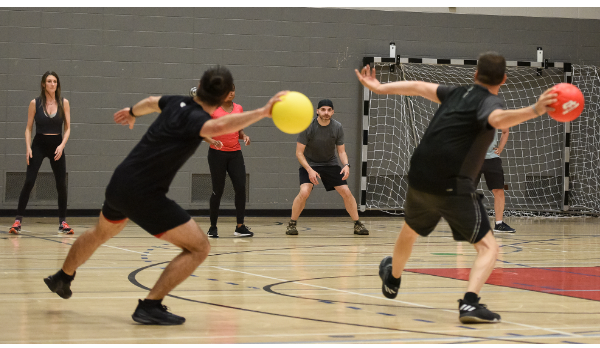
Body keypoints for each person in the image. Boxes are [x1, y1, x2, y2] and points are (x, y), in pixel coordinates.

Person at [43, 66, 286, 325]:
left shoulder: (175, 102)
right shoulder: (198, 120)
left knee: (100, 232)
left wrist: (132, 112)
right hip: (144, 195)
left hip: (120, 181)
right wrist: (263, 112)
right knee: (200, 248)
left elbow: (150, 102)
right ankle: (150, 305)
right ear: (225, 96)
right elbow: (222, 124)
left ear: (199, 85)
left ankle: (62, 277)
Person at [355, 52, 556, 324]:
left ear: (474, 75)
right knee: (488, 248)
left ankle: (393, 279)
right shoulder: (490, 101)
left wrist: (379, 88)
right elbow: (497, 119)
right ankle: (470, 304)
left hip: (419, 176)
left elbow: (416, 86)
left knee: (409, 231)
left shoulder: (456, 93)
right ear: (504, 79)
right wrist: (534, 110)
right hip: (452, 184)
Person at [285, 99, 369, 236]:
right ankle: (292, 223)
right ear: (317, 111)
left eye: (329, 110)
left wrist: (346, 165)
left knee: (346, 192)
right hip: (310, 164)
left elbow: (341, 151)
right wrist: (309, 170)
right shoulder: (308, 127)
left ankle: (357, 224)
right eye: (323, 110)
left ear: (333, 112)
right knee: (305, 192)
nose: (326, 113)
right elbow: (299, 153)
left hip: (330, 164)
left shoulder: (337, 127)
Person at [9, 71, 74, 235]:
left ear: (57, 84)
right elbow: (28, 128)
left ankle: (62, 223)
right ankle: (17, 221)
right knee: (29, 181)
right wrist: (28, 147)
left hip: (57, 145)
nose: (52, 84)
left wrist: (62, 145)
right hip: (38, 144)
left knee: (61, 184)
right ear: (44, 84)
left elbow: (68, 128)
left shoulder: (64, 102)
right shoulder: (35, 103)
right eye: (49, 81)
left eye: (55, 81)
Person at [202, 84, 253, 238]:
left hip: (235, 154)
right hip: (217, 155)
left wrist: (244, 136)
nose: (230, 93)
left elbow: (239, 129)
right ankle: (212, 227)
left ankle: (240, 227)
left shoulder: (239, 108)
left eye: (232, 90)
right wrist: (212, 141)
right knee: (218, 190)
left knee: (241, 187)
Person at [474, 128, 516, 233]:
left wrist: (500, 148)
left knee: (499, 190)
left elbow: (505, 130)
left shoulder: (495, 113)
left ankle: (499, 224)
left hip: (492, 159)